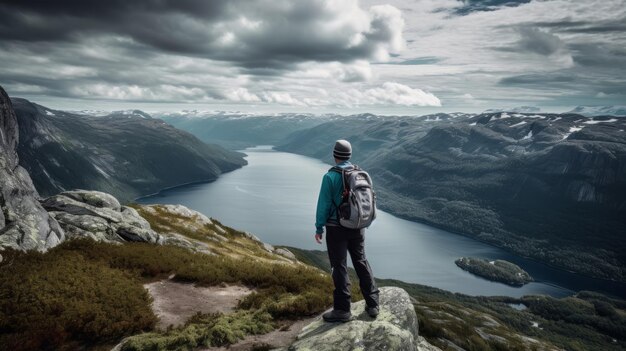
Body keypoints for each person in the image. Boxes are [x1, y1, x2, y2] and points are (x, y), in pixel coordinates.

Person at [314, 139, 380, 322]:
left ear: (334, 155)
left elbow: (324, 205)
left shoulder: (330, 177)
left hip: (336, 228)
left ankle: (342, 310)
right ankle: (373, 303)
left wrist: (319, 227)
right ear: (349, 155)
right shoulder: (360, 174)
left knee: (339, 266)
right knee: (361, 261)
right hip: (358, 226)